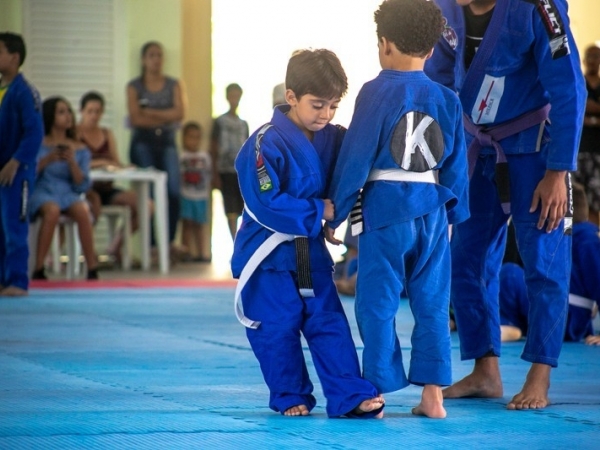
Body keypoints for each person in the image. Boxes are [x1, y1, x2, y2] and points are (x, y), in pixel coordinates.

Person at [424, 0, 586, 410]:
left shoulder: (538, 7)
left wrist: (558, 172)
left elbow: (570, 88)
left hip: (534, 148)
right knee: (466, 259)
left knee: (544, 260)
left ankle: (539, 374)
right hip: (475, 146)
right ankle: (485, 370)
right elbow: (437, 78)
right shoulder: (443, 8)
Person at [325, 0, 469, 419]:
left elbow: (355, 158)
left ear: (384, 44)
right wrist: (452, 220)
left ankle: (377, 390)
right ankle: (433, 396)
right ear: (430, 51)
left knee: (377, 302)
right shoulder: (447, 99)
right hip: (434, 211)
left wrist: (335, 215)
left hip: (384, 211)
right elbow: (457, 166)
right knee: (432, 303)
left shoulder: (376, 91)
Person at [232, 49, 384, 419]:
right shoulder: (262, 143)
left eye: (333, 106)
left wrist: (336, 218)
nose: (326, 115)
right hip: (267, 256)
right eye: (317, 105)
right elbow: (266, 202)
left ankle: (349, 395)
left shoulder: (334, 138)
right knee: (278, 328)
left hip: (310, 252)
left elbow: (350, 177)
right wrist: (318, 211)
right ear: (291, 97)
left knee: (328, 320)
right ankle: (289, 396)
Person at [499, 183, 600, 346]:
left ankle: (509, 324)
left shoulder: (587, 239)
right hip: (565, 314)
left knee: (510, 274)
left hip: (564, 314)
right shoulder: (570, 237)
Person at [29, 97, 98, 280]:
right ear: (51, 115)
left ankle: (91, 267)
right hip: (43, 190)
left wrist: (72, 162)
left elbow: (82, 184)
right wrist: (48, 159)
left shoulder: (80, 148)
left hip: (68, 191)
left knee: (83, 210)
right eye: (61, 112)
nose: (67, 116)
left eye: (68, 111)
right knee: (52, 211)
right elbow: (29, 175)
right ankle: (39, 267)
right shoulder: (38, 144)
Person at [127, 41, 185, 253]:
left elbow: (179, 114)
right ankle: (151, 247)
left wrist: (149, 112)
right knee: (149, 194)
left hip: (167, 142)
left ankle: (168, 243)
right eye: (151, 55)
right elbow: (135, 119)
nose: (156, 59)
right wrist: (165, 117)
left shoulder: (173, 84)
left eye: (159, 55)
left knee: (173, 191)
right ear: (143, 59)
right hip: (142, 142)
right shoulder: (134, 86)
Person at [77, 91, 145, 264]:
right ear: (82, 111)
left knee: (145, 205)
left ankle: (115, 247)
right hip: (86, 190)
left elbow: (115, 162)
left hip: (107, 188)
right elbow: (76, 164)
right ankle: (88, 254)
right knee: (93, 206)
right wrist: (99, 162)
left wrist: (124, 167)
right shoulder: (75, 134)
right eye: (90, 111)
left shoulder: (107, 134)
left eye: (98, 111)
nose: (94, 115)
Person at [0, 32, 44, 296]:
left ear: (14, 57)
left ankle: (17, 280)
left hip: (17, 172)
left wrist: (16, 161)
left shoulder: (25, 92)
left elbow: (34, 133)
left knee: (14, 227)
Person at [210, 83, 249, 240]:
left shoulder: (243, 124)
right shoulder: (219, 122)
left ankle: (243, 241)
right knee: (230, 207)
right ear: (227, 97)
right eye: (232, 95)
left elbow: (247, 148)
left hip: (240, 171)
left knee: (242, 207)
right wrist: (215, 173)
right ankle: (236, 243)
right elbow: (213, 147)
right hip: (225, 170)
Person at [573, 44, 600, 227]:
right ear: (583, 60)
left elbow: (586, 110)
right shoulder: (578, 84)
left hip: (597, 153)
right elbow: (575, 112)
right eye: (589, 57)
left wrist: (589, 114)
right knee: (578, 200)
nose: (592, 61)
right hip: (578, 152)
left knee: (596, 200)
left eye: (596, 57)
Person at [179, 121, 212, 262]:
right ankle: (185, 253)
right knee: (187, 225)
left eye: (197, 137)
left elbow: (208, 175)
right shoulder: (181, 157)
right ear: (184, 138)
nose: (194, 141)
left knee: (199, 226)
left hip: (201, 196)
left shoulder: (204, 157)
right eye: (191, 137)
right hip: (186, 195)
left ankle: (201, 253)